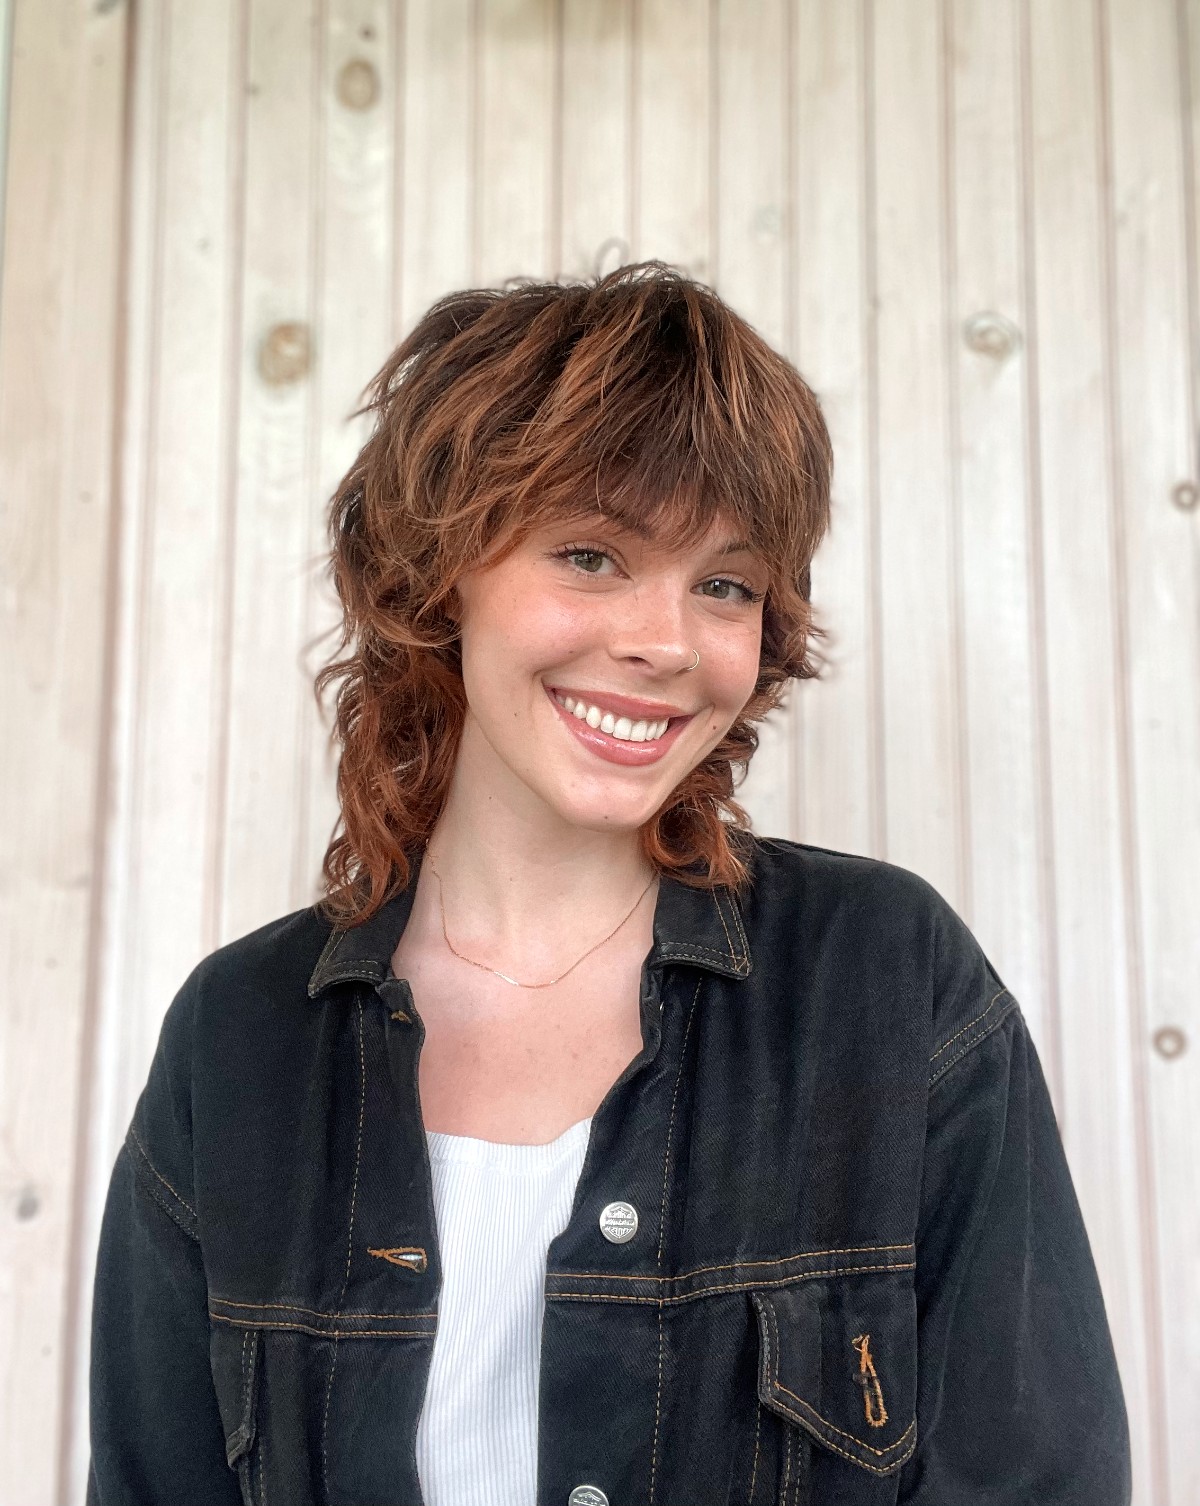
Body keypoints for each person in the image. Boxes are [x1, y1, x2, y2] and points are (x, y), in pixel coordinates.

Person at [87, 263, 1130, 1506]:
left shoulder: (889, 984)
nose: (666, 640)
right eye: (591, 554)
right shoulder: (241, 1037)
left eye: (725, 584)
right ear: (438, 578)